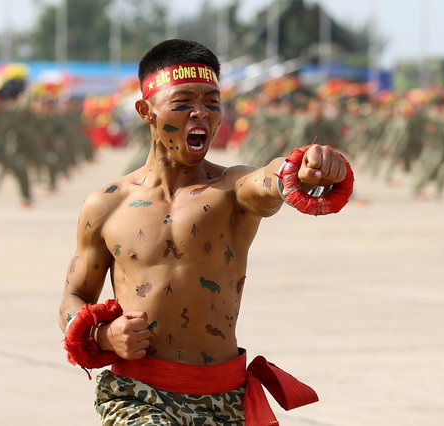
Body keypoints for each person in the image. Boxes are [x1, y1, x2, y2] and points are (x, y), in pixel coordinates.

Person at [58, 39, 351, 425]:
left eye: (212, 103)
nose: (201, 113)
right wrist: (103, 337)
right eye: (182, 103)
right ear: (146, 111)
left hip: (225, 397)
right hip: (139, 395)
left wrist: (302, 167)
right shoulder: (106, 205)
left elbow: (268, 179)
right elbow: (73, 296)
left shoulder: (232, 189)